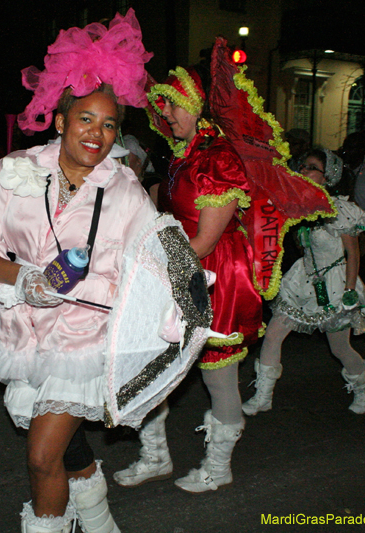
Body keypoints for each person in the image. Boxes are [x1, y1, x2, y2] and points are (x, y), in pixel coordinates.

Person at [0, 10, 154, 532]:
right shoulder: (15, 171)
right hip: (22, 331)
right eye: (86, 119)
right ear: (60, 120)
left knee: (42, 456)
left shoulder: (124, 190)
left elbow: (149, 260)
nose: (98, 133)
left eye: (110, 124)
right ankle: (100, 518)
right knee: (68, 441)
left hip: (86, 337)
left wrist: (182, 286)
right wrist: (24, 281)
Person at [115, 66, 260, 494]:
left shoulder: (218, 158)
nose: (167, 113)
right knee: (153, 370)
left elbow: (204, 241)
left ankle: (219, 467)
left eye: (174, 104)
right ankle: (156, 456)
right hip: (178, 271)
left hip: (215, 278)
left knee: (218, 378)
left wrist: (142, 261)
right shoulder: (185, 155)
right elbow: (164, 213)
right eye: (163, 106)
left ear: (196, 105)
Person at [242, 149, 365, 416]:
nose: (304, 170)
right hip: (303, 280)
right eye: (303, 166)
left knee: (339, 347)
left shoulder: (340, 209)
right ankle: (263, 396)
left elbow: (353, 253)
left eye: (312, 167)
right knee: (272, 335)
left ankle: (364, 387)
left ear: (328, 177)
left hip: (335, 284)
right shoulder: (301, 205)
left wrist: (350, 291)